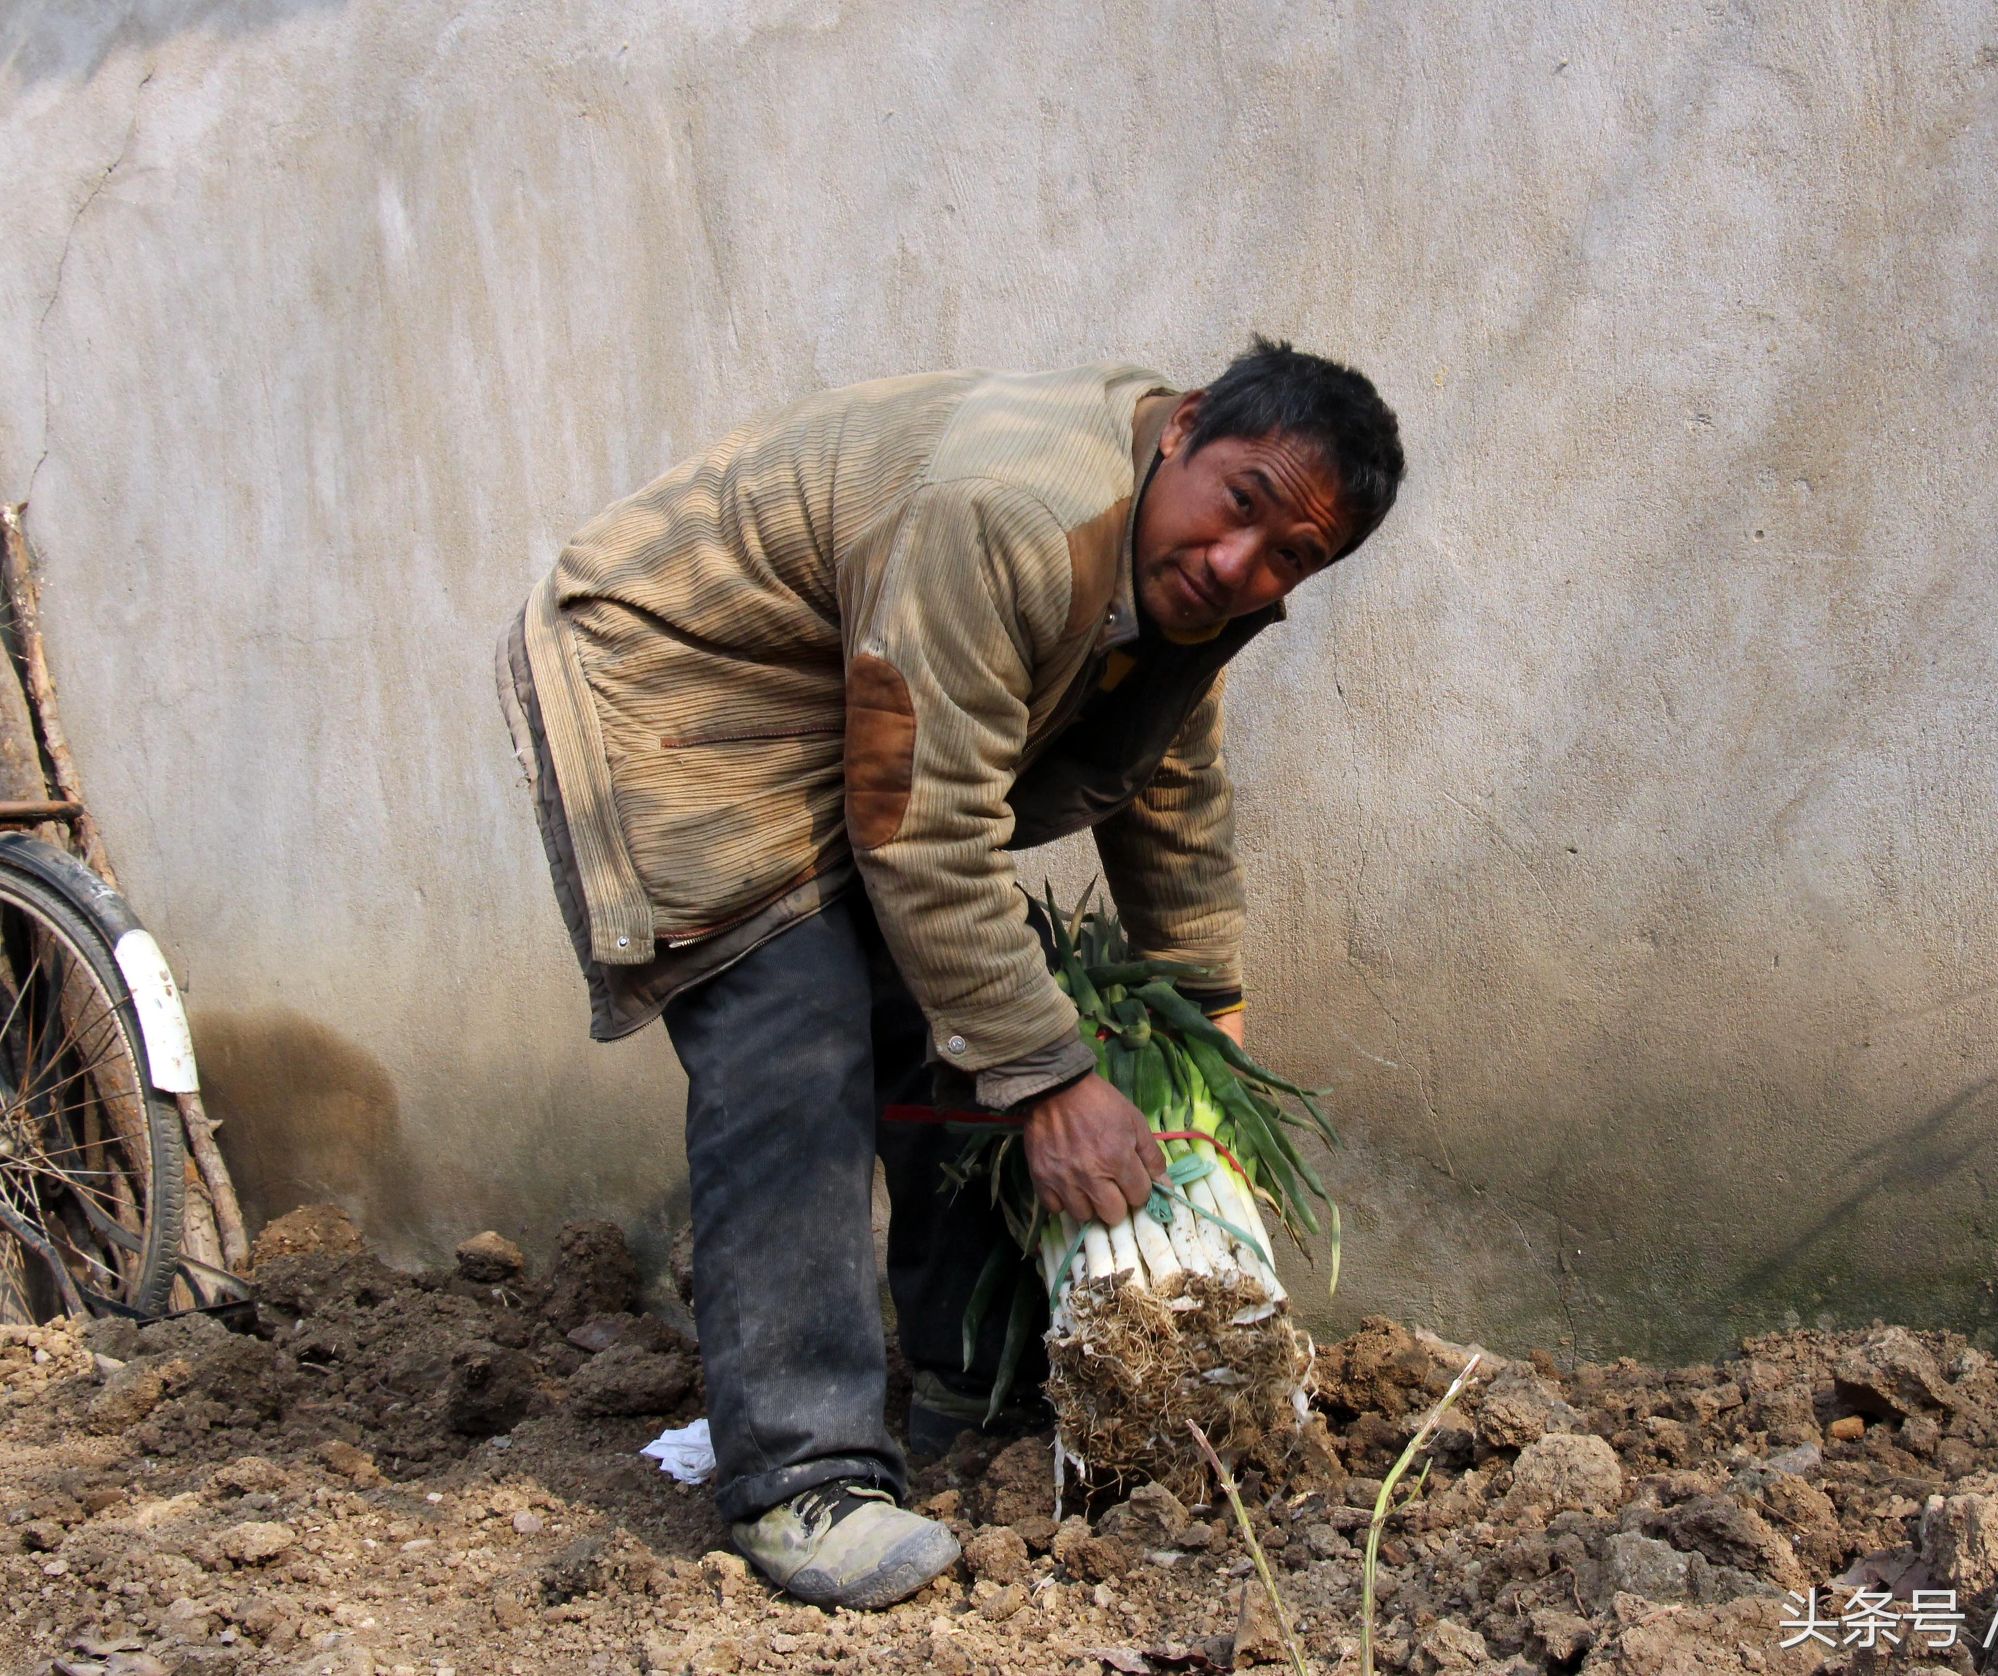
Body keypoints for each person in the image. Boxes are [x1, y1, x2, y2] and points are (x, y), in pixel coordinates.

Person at [497, 338, 1403, 1608]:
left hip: (850, 680)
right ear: (1186, 429)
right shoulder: (1013, 514)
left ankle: (966, 1379)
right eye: (1242, 505)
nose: (1241, 565)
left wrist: (1214, 1032)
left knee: (952, 1002)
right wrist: (1051, 1087)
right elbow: (922, 821)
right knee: (793, 1023)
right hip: (678, 665)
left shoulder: (1194, 581)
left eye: (1291, 559)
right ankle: (801, 1475)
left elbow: (1171, 792)